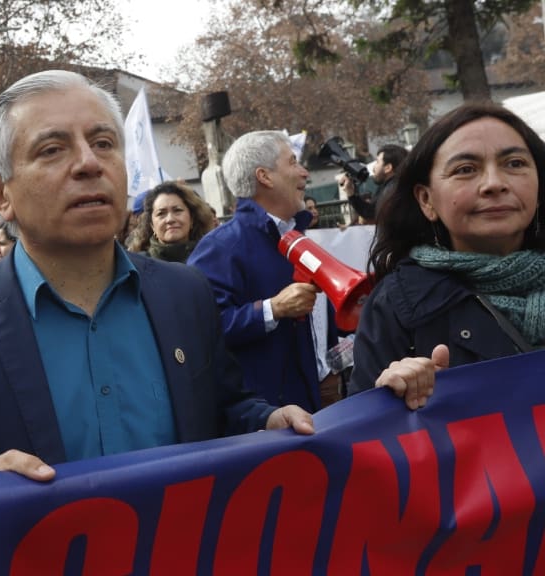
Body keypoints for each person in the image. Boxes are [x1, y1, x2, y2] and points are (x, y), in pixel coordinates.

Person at [0, 70, 314, 483]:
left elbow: (221, 409)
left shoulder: (185, 293)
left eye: (104, 143)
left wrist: (265, 421)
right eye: (52, 150)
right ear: (0, 195)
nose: (89, 163)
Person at [347, 102, 545, 410]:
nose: (495, 183)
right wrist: (388, 400)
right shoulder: (397, 305)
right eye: (465, 169)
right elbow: (359, 431)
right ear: (426, 200)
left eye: (515, 163)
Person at [188, 130, 339, 412]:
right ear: (264, 177)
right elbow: (203, 329)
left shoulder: (296, 236)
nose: (304, 172)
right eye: (293, 162)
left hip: (311, 404)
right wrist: (273, 309)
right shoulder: (220, 247)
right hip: (264, 417)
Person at [126, 181, 215, 263]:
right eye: (161, 213)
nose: (170, 219)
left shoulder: (211, 259)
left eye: (177, 210)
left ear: (192, 219)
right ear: (152, 225)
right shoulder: (138, 265)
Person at [338, 144, 408, 224]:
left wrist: (351, 193)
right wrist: (351, 192)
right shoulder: (394, 186)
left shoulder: (391, 189)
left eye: (377, 162)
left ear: (388, 168)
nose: (374, 167)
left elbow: (371, 214)